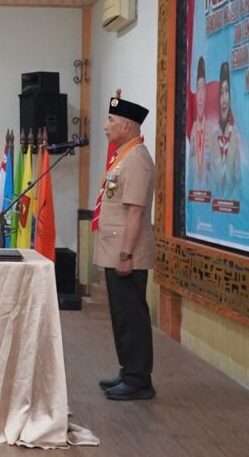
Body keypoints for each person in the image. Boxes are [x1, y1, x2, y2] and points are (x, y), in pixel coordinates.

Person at [95, 95, 156, 401]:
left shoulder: (136, 160)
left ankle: (138, 379)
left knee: (132, 317)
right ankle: (128, 370)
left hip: (126, 254)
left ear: (127, 126)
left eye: (111, 121)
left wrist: (126, 255)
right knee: (122, 316)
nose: (106, 126)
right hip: (116, 251)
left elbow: (135, 211)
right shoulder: (124, 156)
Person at [209, 61, 241, 199]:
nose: (223, 99)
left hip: (232, 206)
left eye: (226, 91)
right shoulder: (213, 138)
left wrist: (229, 203)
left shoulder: (237, 135)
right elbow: (210, 179)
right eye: (221, 93)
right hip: (215, 207)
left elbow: (240, 181)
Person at [188, 56, 210, 190]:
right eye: (198, 89)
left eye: (203, 89)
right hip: (195, 195)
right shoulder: (193, 130)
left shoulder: (212, 130)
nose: (200, 96)